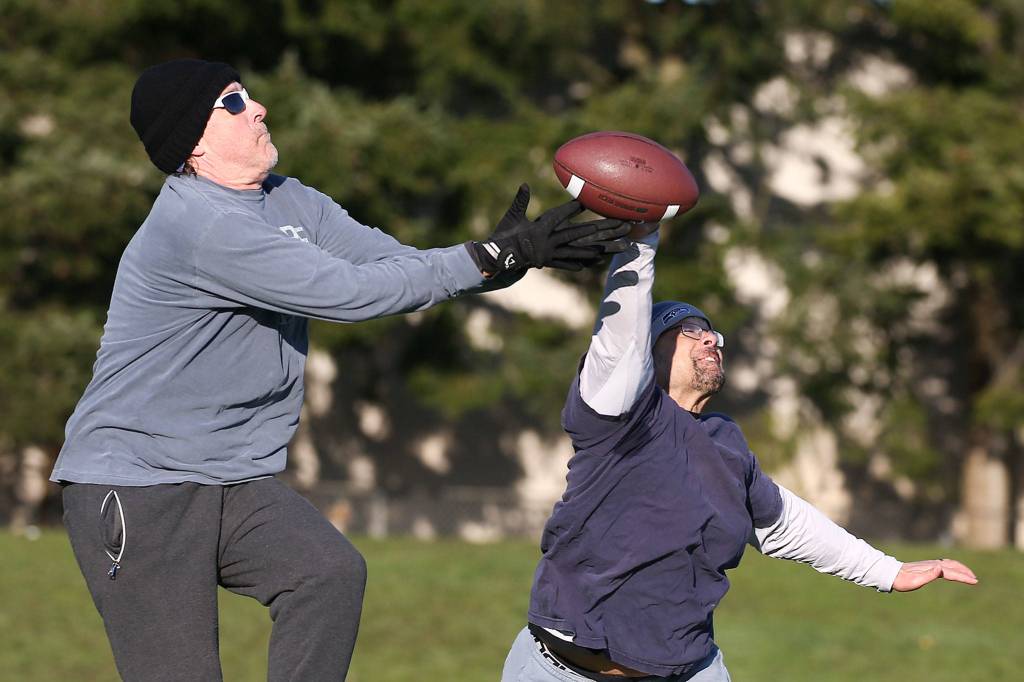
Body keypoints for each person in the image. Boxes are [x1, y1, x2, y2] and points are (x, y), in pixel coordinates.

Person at [50, 58, 627, 682]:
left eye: (249, 94)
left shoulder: (288, 199)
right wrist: (487, 258)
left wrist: (508, 261)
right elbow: (349, 294)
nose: (260, 107)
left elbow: (393, 267)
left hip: (231, 478)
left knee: (327, 573)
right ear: (193, 142)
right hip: (139, 486)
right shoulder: (201, 227)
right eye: (235, 103)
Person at [502, 223, 978, 681]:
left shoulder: (724, 442)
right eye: (686, 331)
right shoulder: (619, 417)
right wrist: (640, 240)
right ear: (647, 355)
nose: (709, 338)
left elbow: (784, 523)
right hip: (562, 671)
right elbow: (618, 338)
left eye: (712, 333)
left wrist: (886, 571)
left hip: (687, 671)